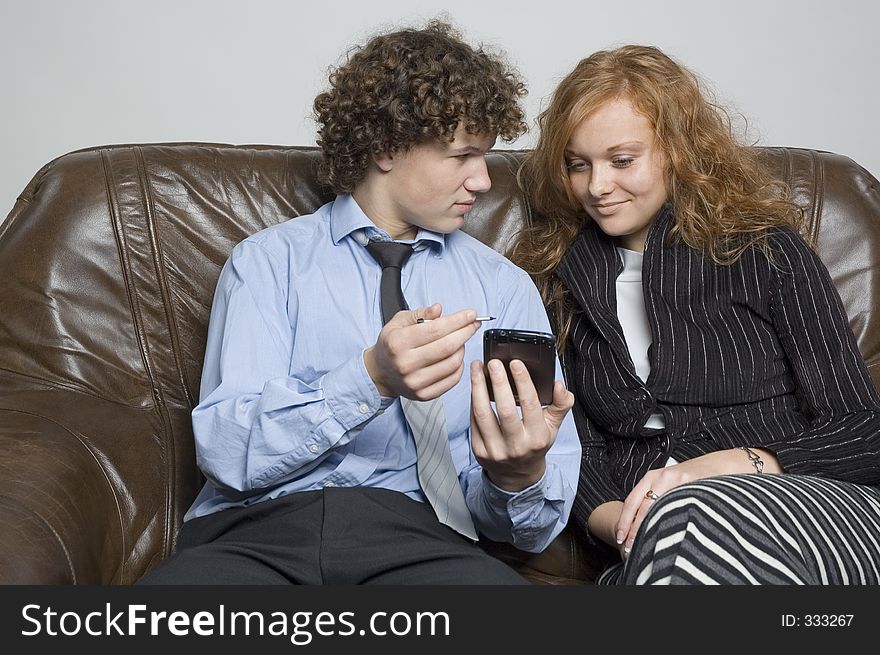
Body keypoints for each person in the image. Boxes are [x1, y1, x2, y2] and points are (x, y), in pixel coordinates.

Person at [138, 20, 580, 585]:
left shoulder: (503, 286)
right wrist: (370, 379)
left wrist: (517, 475)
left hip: (419, 542)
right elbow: (228, 452)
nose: (484, 181)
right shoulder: (268, 263)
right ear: (387, 147)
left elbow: (523, 528)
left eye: (486, 157)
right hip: (256, 538)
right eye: (463, 155)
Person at [510, 44, 880, 584]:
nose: (596, 186)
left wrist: (736, 464)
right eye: (577, 164)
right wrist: (622, 523)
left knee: (691, 524)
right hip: (660, 540)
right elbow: (576, 450)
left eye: (621, 160)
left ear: (676, 151)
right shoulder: (554, 280)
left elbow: (863, 429)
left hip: (809, 503)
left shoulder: (767, 252)